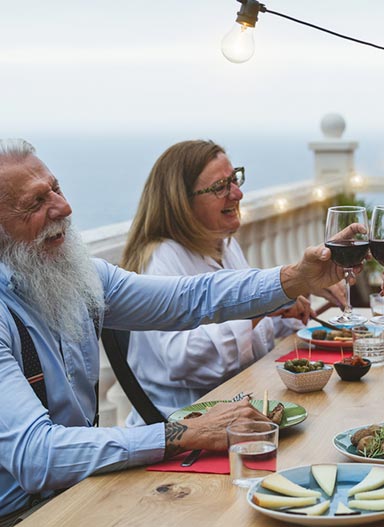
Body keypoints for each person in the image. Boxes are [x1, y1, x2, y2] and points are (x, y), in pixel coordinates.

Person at [0, 139, 356, 522]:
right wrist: (182, 433)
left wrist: (294, 278)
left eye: (57, 188)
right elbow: (35, 455)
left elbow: (190, 298)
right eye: (36, 203)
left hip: (87, 486)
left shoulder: (81, 275)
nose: (64, 207)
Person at [120, 140, 334, 426]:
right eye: (220, 187)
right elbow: (181, 359)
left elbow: (250, 335)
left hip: (241, 408)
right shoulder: (160, 260)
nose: (237, 193)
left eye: (235, 179)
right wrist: (260, 309)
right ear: (182, 203)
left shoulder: (225, 245)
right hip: (183, 426)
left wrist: (284, 310)